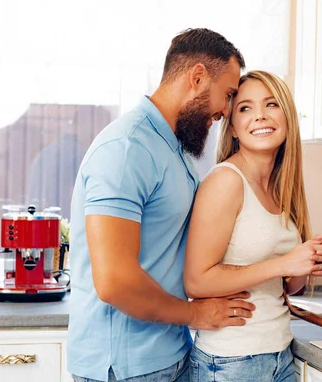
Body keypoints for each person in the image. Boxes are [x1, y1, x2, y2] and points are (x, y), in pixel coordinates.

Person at [67, 28, 256, 382]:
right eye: (228, 95)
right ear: (198, 77)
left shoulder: (174, 147)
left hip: (169, 353)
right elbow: (115, 283)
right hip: (125, 368)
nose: (226, 111)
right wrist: (194, 314)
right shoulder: (126, 150)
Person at [184, 70, 322, 381]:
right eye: (245, 108)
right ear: (234, 128)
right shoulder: (225, 181)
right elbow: (196, 282)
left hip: (279, 353)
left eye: (271, 104)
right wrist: (284, 262)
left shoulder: (282, 187)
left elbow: (286, 286)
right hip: (231, 361)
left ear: (287, 116)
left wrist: (305, 263)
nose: (260, 116)